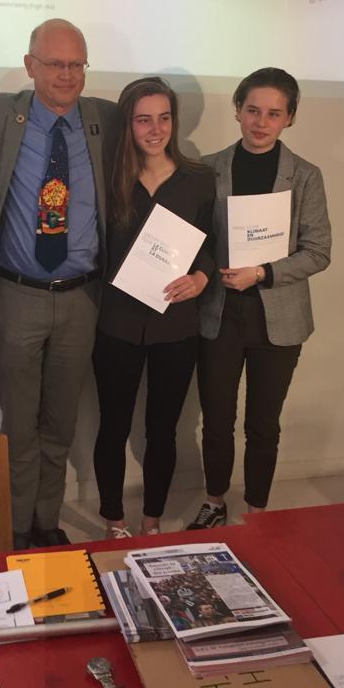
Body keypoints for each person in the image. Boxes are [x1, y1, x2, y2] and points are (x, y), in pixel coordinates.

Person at [0, 19, 117, 550]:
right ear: (30, 66)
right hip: (16, 295)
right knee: (19, 423)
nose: (67, 75)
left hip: (82, 298)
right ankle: (18, 524)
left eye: (76, 64)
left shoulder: (105, 119)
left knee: (61, 421)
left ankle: (48, 521)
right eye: (55, 64)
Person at [188, 67, 331, 529]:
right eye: (252, 110)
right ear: (237, 109)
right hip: (219, 313)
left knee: (263, 424)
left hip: (279, 318)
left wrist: (263, 273)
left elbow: (318, 251)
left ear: (290, 118)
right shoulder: (207, 168)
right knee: (217, 420)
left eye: (273, 113)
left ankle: (257, 513)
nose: (261, 122)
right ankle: (214, 501)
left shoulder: (305, 176)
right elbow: (195, 238)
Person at [92, 77, 215, 538]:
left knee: (164, 430)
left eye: (164, 118)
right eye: (144, 120)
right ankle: (114, 520)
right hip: (117, 323)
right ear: (128, 124)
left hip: (176, 324)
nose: (156, 129)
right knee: (113, 425)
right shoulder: (107, 179)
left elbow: (212, 243)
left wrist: (201, 277)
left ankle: (151, 521)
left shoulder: (199, 179)